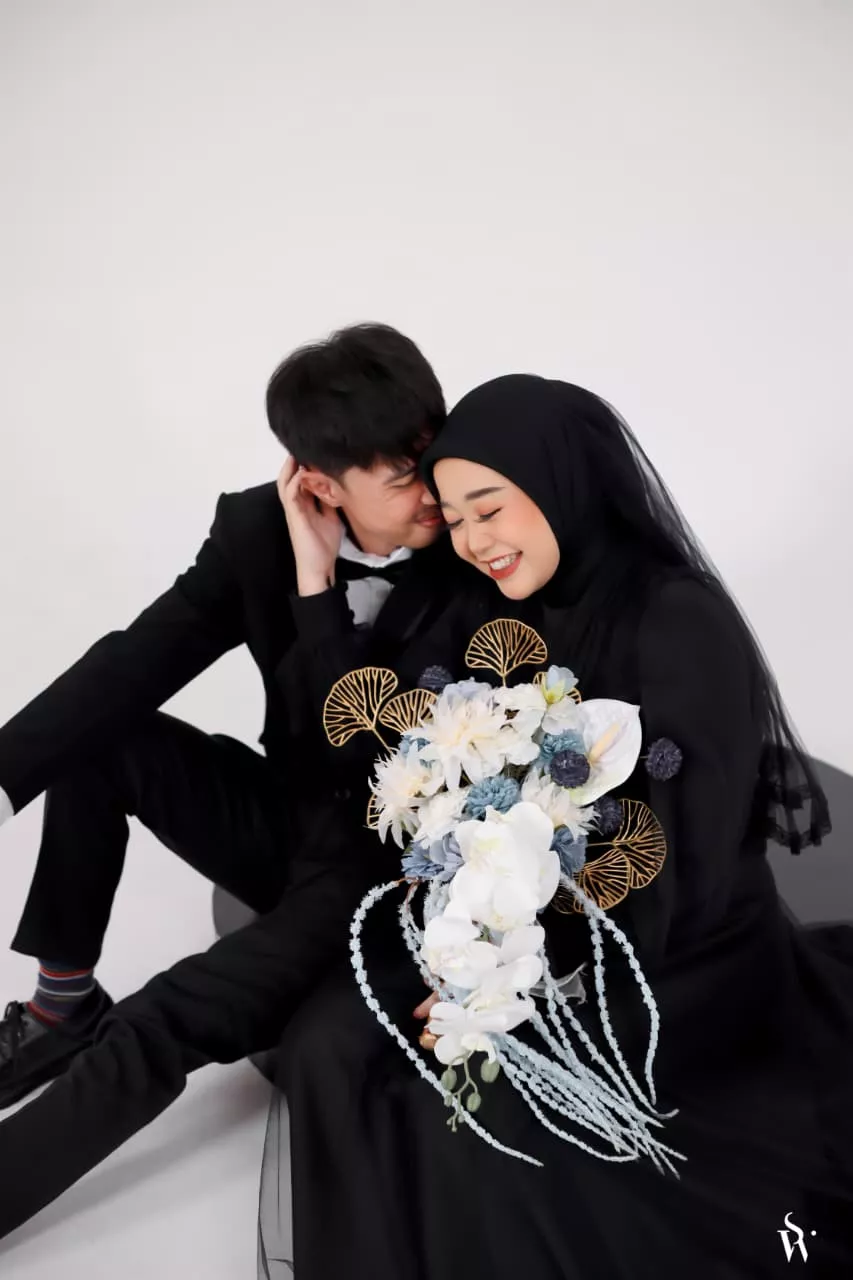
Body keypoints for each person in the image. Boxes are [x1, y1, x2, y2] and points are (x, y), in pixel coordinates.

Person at [264, 375, 853, 1278]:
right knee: (328, 1044)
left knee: (482, 1111)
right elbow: (368, 746)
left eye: (489, 508)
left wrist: (514, 994)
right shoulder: (491, 607)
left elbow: (686, 870)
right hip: (528, 931)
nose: (473, 540)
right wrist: (314, 582)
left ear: (560, 483)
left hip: (682, 961)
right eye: (454, 518)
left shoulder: (676, 617)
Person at [0, 322, 469, 1238]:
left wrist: (316, 590)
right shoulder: (256, 530)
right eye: (405, 475)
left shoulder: (481, 536)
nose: (436, 492)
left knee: (164, 1018)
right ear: (319, 484)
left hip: (390, 874)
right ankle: (63, 1005)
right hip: (295, 822)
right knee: (100, 735)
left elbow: (371, 751)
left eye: (433, 456)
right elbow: (134, 660)